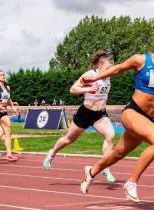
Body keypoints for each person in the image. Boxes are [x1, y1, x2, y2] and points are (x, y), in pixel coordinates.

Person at [80, 28, 154, 202]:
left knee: (118, 153)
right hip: (133, 112)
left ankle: (91, 172)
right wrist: (95, 78)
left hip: (148, 118)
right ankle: (131, 182)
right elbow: (117, 69)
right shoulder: (141, 60)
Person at [43, 51, 116, 183]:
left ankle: (105, 166)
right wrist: (88, 89)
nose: (109, 71)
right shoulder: (90, 75)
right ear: (100, 65)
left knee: (110, 136)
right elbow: (73, 89)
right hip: (85, 113)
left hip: (100, 114)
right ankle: (52, 153)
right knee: (68, 139)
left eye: (111, 69)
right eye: (107, 68)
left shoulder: (108, 76)